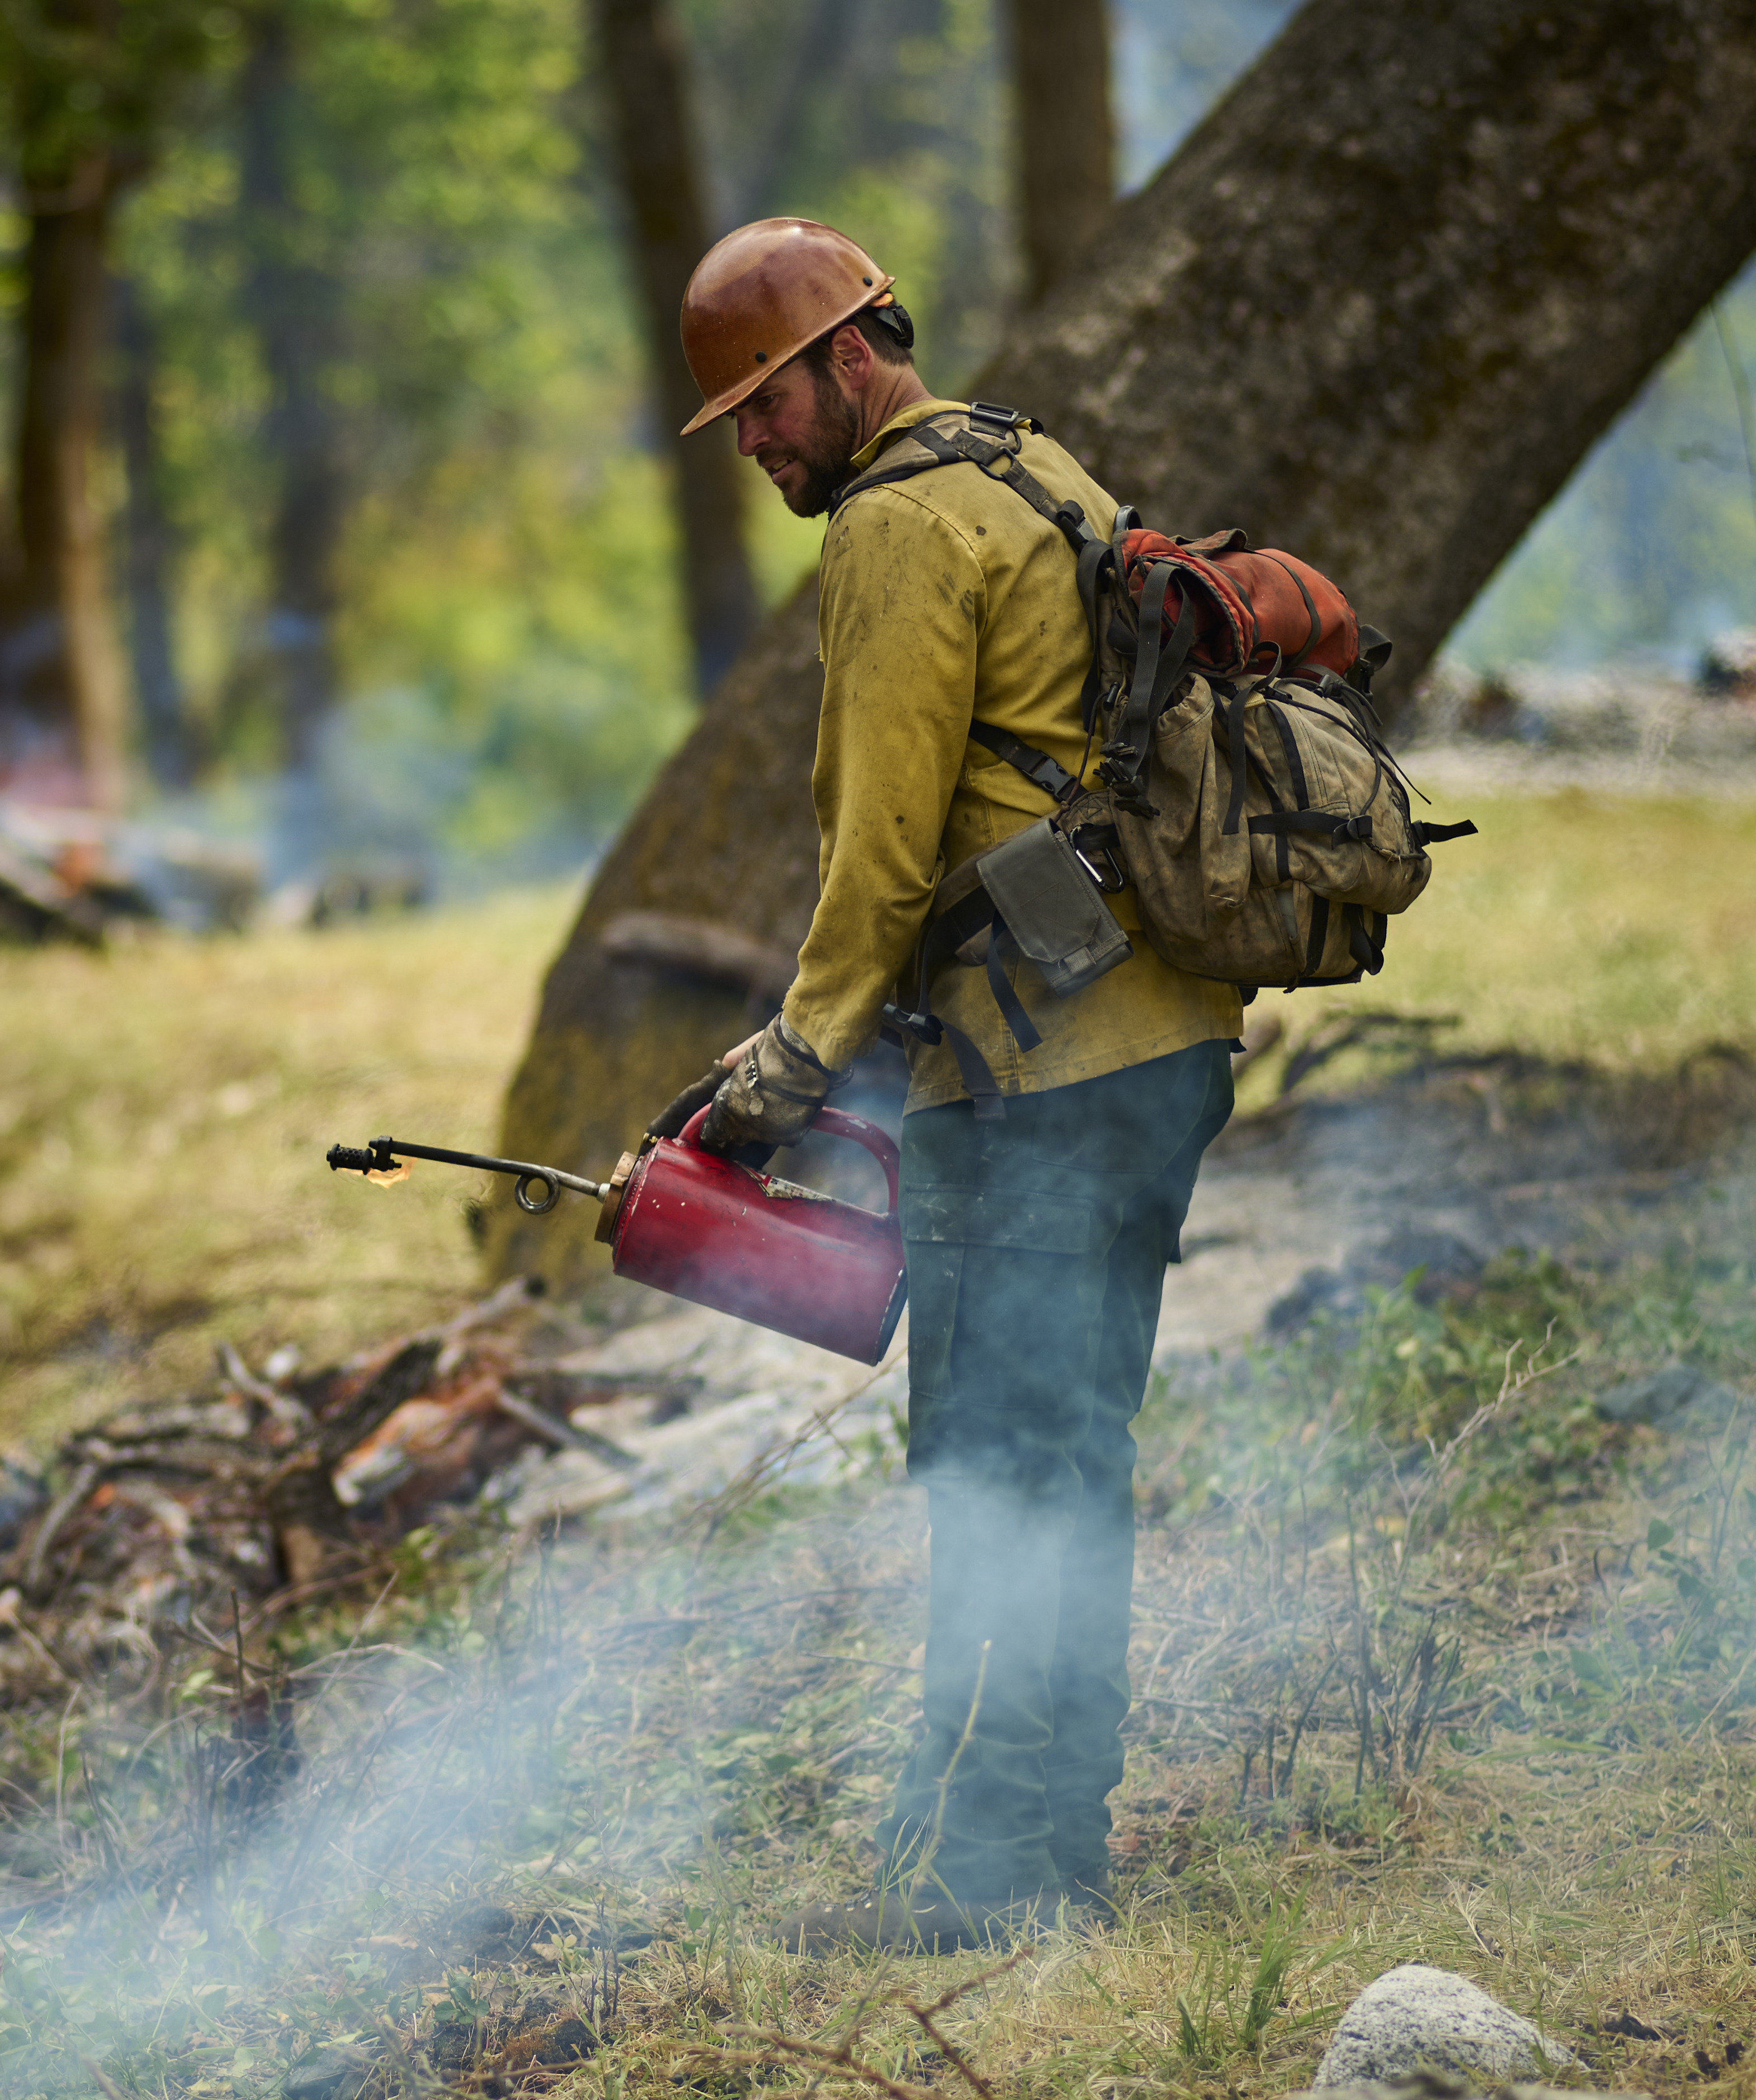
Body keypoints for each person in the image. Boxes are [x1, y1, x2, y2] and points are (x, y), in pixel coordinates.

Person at [674, 220, 1240, 1945]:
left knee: (1004, 1461)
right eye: (736, 423)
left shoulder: (896, 526)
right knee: (1062, 1448)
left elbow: (881, 853)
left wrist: (779, 1072)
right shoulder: (1027, 462)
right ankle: (991, 1830)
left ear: (853, 355)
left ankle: (1004, 1875)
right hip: (1155, 1041)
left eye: (766, 403)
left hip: (1035, 1072)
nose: (756, 442)